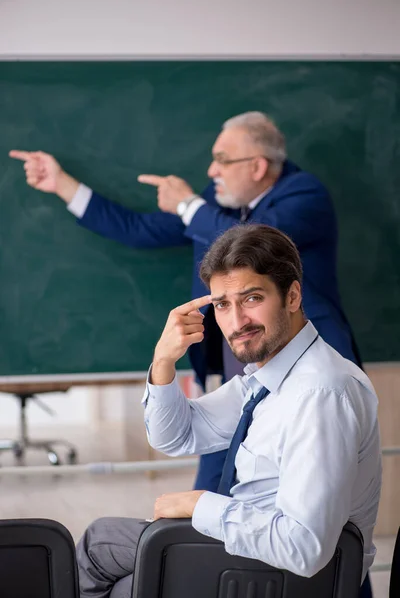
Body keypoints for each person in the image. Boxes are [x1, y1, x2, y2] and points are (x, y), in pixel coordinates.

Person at [9, 112, 361, 495]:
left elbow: (254, 244)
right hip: (241, 364)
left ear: (258, 166)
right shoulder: (216, 201)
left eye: (223, 159)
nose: (212, 170)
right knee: (212, 480)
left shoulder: (304, 193)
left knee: (299, 484)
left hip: (307, 360)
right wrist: (62, 185)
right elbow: (139, 230)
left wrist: (189, 206)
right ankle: (204, 546)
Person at [76, 224, 381, 598]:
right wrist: (163, 361)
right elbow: (175, 435)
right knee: (125, 581)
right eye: (222, 304)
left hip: (282, 576)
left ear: (293, 296)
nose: (236, 323)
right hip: (252, 555)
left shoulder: (319, 394)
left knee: (99, 546)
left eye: (251, 298)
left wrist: (201, 504)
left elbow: (304, 546)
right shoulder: (268, 378)